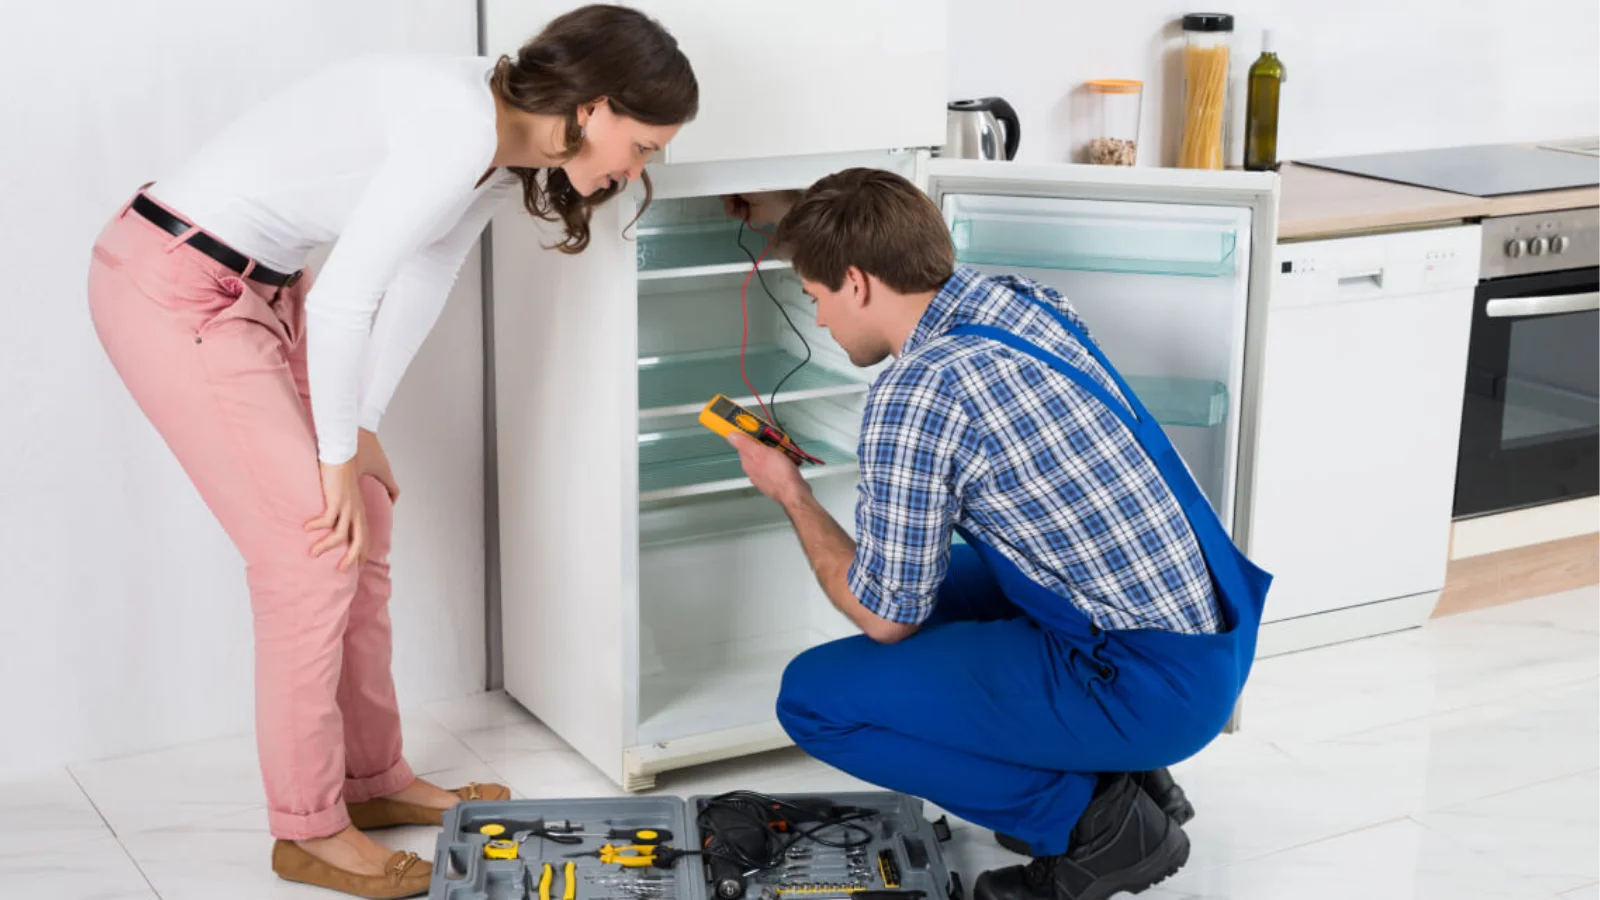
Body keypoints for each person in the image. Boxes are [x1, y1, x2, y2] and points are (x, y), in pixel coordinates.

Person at [86, 6, 696, 898]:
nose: (638, 168)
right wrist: (333, 449)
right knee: (309, 552)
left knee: (361, 514)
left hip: (261, 294)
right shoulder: (457, 122)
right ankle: (309, 830)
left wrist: (359, 427)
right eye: (642, 145)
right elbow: (348, 301)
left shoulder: (504, 142)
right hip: (175, 287)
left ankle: (371, 782)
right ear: (595, 108)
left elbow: (424, 271)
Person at [723, 170, 1271, 900]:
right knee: (933, 580)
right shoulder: (1013, 301)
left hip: (1145, 685)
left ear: (855, 283)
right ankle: (1132, 775)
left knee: (815, 700)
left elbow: (885, 619)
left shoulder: (917, 390)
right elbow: (910, 582)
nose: (818, 320)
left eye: (815, 297)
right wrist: (788, 208)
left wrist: (789, 492)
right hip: (1208, 647)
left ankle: (1098, 825)